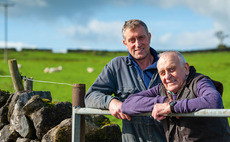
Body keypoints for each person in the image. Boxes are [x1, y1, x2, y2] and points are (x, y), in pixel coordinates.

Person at [85, 19, 166, 142]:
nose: (138, 44)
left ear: (149, 37)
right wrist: (111, 102)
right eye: (132, 40)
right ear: (125, 43)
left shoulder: (167, 63)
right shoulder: (117, 66)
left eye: (141, 37)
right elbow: (91, 96)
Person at [121, 51, 230, 142]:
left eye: (171, 69)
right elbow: (127, 104)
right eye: (162, 73)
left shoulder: (199, 82)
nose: (167, 77)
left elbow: (214, 100)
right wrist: (162, 101)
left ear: (186, 68)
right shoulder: (161, 90)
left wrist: (172, 107)